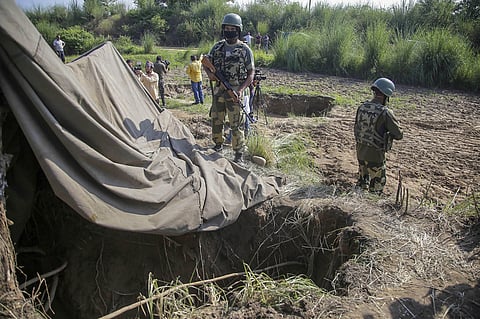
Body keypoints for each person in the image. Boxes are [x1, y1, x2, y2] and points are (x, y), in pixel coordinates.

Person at [204, 13, 255, 164]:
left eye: (232, 28)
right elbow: (205, 62)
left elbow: (251, 73)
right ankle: (218, 145)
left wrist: (240, 90)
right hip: (219, 90)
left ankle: (238, 154)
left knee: (236, 124)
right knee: (216, 119)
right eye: (226, 28)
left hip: (235, 91)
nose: (229, 30)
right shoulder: (217, 47)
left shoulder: (244, 50)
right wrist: (210, 75)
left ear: (238, 30)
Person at [354, 77, 403, 194]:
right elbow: (399, 134)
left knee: (361, 184)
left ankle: (356, 204)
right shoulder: (385, 112)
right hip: (375, 156)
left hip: (360, 152)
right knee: (376, 188)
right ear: (387, 96)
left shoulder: (362, 107)